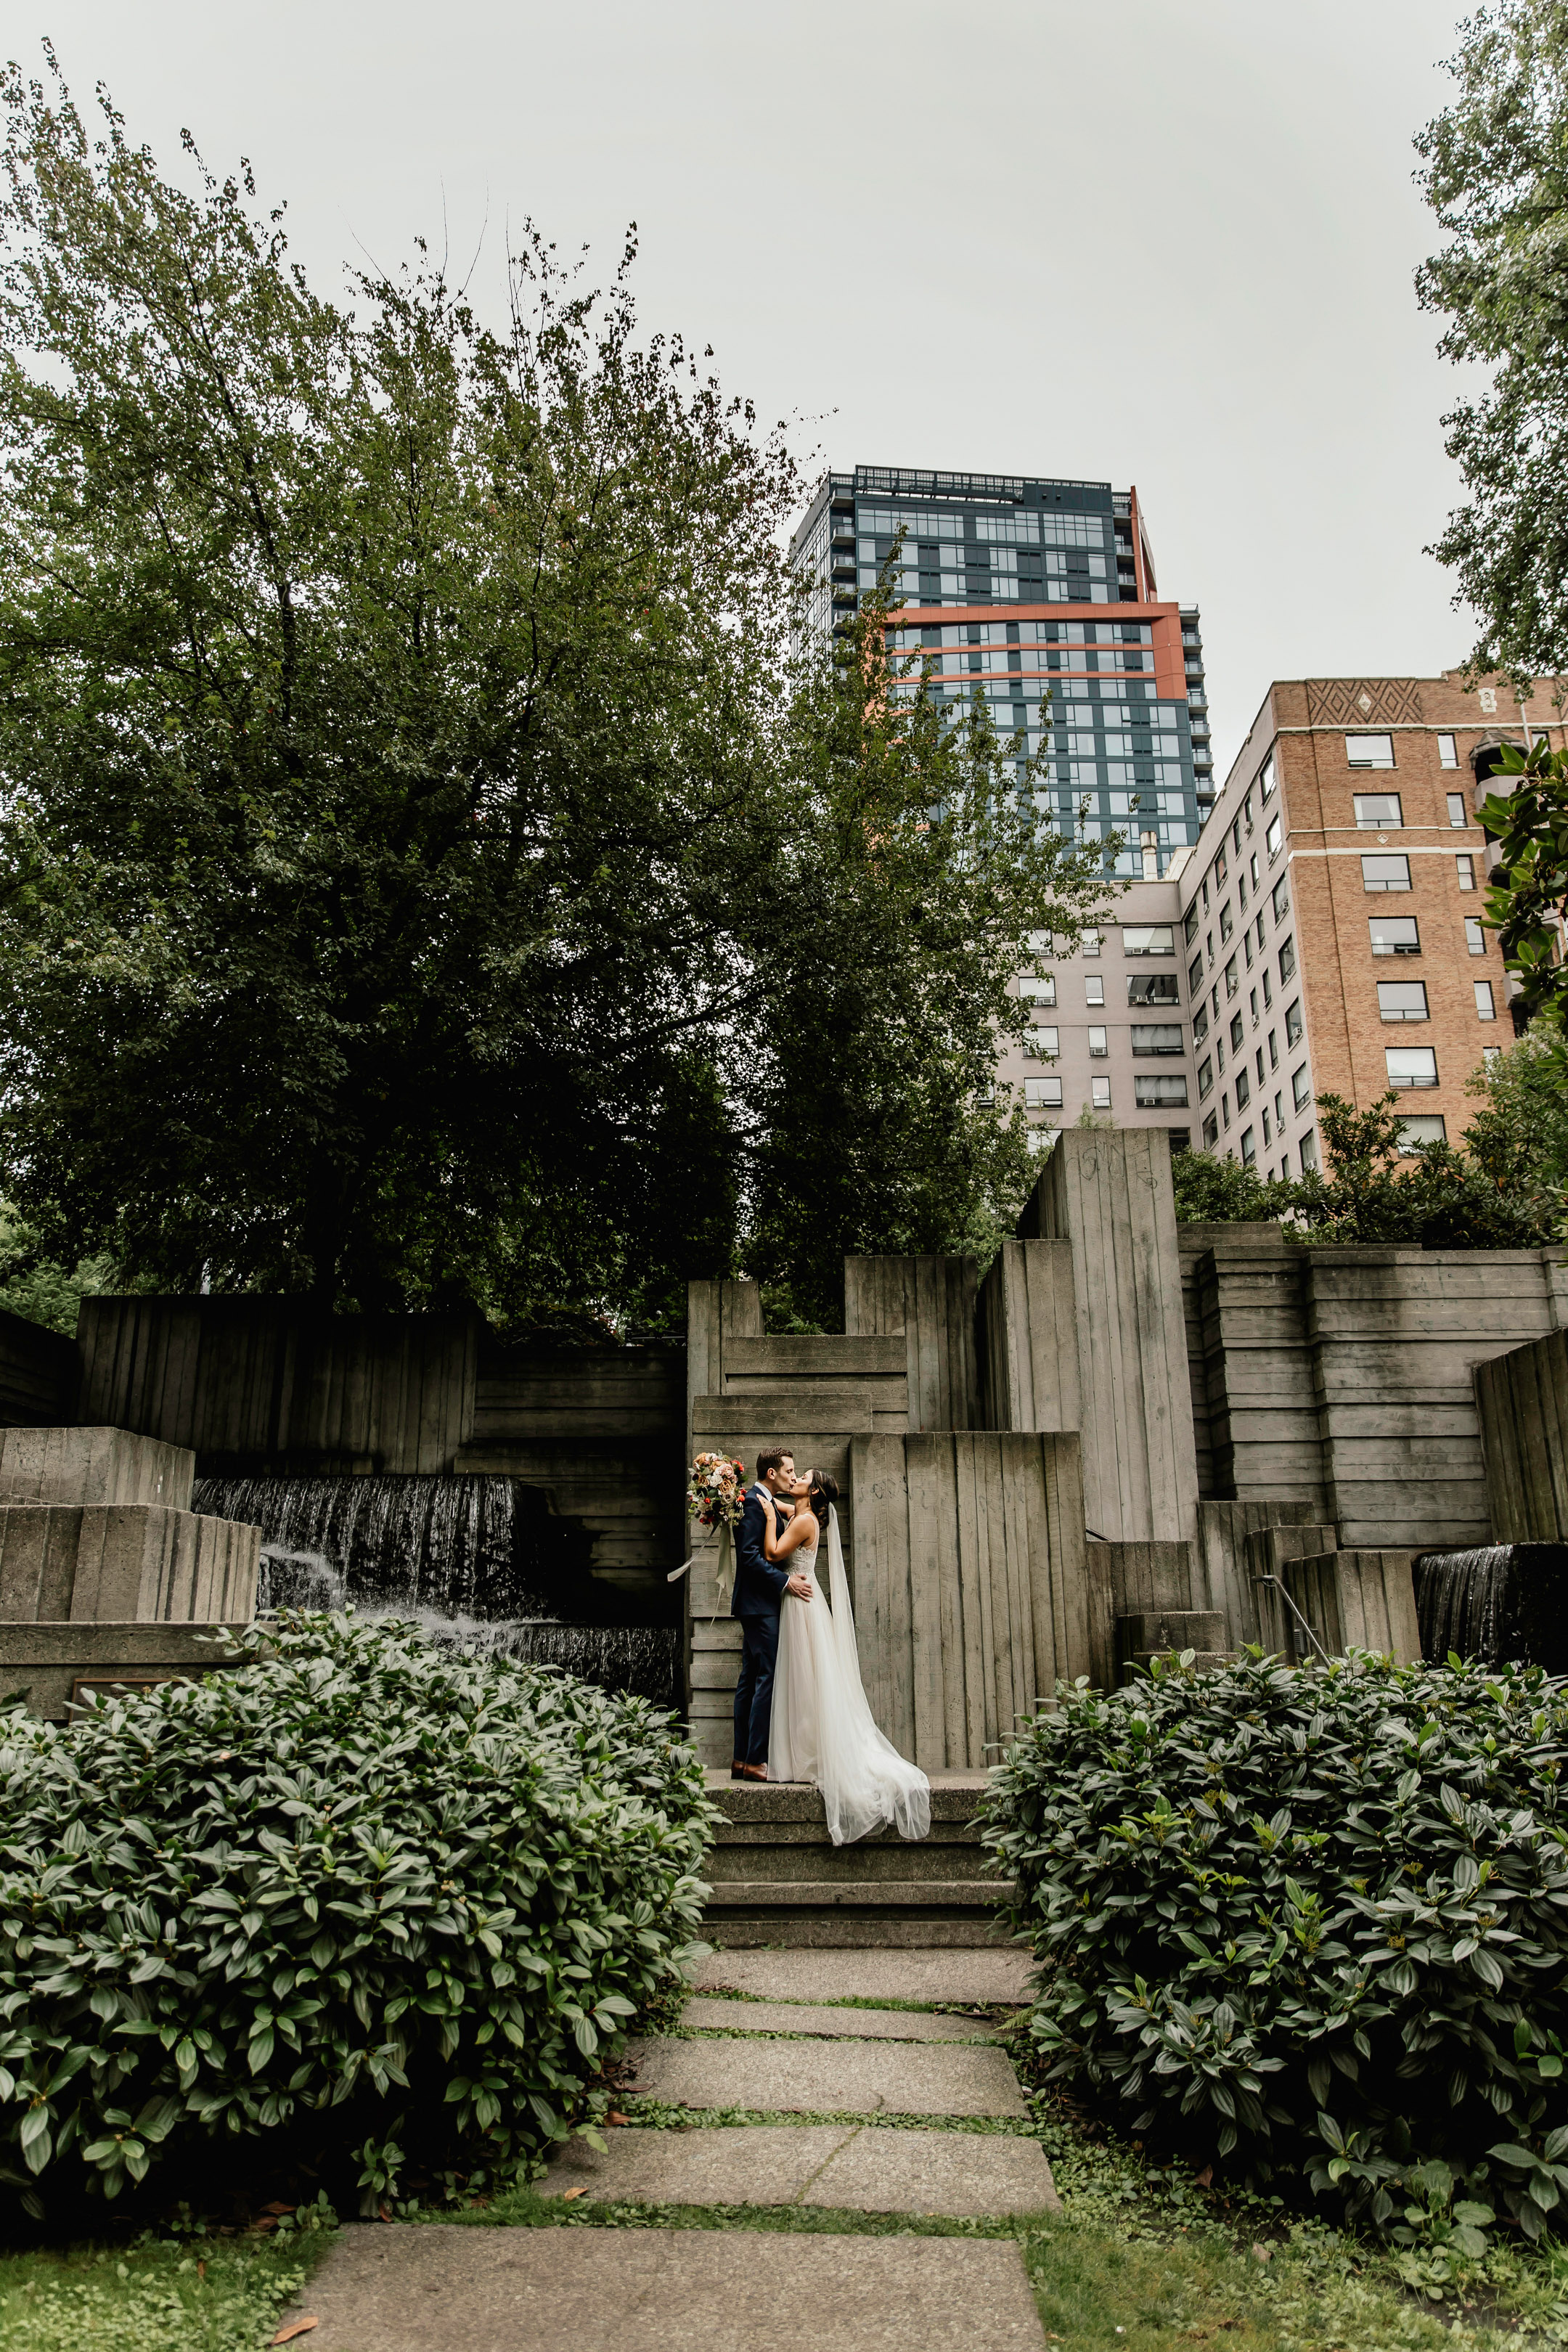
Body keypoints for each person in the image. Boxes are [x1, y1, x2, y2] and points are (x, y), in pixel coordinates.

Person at [761, 1467, 931, 1846]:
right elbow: (780, 1503)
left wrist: (771, 1517)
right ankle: (801, 1751)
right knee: (806, 1680)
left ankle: (807, 1754)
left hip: (800, 1605)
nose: (797, 1477)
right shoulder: (801, 1514)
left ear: (814, 1490)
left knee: (806, 1680)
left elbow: (773, 1553)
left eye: (803, 1476)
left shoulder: (804, 1521)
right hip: (804, 1602)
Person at [730, 1447, 814, 1784]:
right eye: (789, 1471)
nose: (793, 1476)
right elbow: (750, 1557)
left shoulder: (763, 1500)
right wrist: (786, 1581)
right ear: (771, 1474)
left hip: (756, 1604)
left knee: (750, 1681)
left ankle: (741, 1759)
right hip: (760, 1606)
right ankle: (755, 1762)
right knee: (766, 1678)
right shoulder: (754, 1502)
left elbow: (802, 1510)